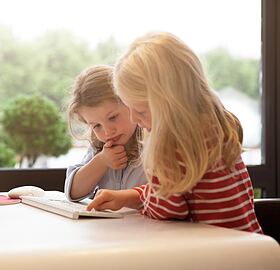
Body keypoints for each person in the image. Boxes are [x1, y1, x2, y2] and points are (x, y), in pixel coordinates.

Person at [87, 32, 262, 233]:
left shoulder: (173, 144)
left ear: (170, 102)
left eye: (141, 110)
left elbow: (166, 211)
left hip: (217, 257)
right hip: (249, 249)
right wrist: (130, 196)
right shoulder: (214, 126)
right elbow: (175, 194)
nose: (135, 119)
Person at [65, 65, 147, 202]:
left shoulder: (152, 141)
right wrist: (101, 161)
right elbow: (73, 192)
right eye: (96, 126)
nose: (108, 132)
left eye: (113, 117)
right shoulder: (100, 148)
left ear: (130, 102)